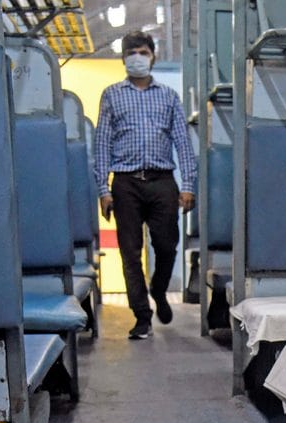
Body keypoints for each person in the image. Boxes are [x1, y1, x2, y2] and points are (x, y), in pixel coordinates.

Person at [95, 31, 197, 340]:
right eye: (131, 52)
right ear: (123, 58)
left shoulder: (168, 96)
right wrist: (103, 189)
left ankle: (159, 288)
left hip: (162, 181)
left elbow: (182, 141)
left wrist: (188, 184)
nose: (137, 57)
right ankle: (142, 316)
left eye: (142, 51)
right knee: (129, 252)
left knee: (167, 245)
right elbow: (102, 143)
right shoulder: (111, 94)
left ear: (152, 55)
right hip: (125, 182)